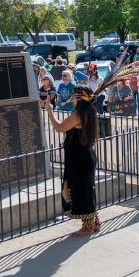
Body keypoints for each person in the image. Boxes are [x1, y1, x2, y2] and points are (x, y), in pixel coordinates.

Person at [44, 85, 101, 234]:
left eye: (73, 95)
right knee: (87, 190)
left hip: (79, 159)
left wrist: (50, 111)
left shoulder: (78, 114)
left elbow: (59, 127)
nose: (71, 98)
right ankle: (93, 222)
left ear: (78, 98)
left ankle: (87, 226)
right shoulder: (90, 111)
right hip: (84, 156)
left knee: (82, 191)